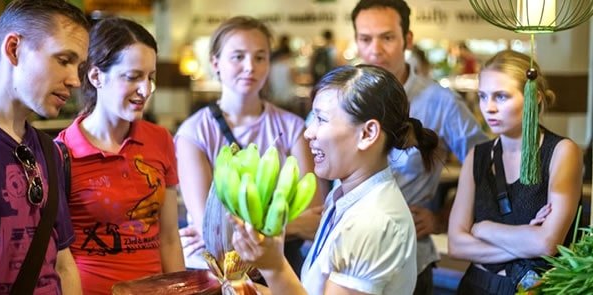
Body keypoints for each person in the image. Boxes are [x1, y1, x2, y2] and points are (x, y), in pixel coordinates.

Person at [231, 64, 439, 295]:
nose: (308, 132)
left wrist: (274, 267)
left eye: (321, 119)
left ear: (367, 134)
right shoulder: (344, 194)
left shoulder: (371, 223)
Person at [351, 0, 489, 292]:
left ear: (407, 39)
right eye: (365, 39)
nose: (375, 49)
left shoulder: (439, 101)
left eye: (387, 37)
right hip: (347, 257)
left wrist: (444, 218)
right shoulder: (340, 96)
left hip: (409, 259)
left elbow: (486, 163)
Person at [174, 16, 324, 275]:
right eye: (238, 56)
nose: (249, 67)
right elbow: (211, 233)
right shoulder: (194, 132)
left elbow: (315, 217)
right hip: (218, 274)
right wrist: (292, 225)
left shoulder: (294, 127)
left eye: (260, 57)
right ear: (215, 63)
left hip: (283, 270)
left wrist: (236, 228)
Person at [55, 17, 184, 294]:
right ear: (96, 76)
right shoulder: (62, 152)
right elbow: (59, 260)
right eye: (133, 76)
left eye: (150, 77)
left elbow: (170, 238)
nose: (146, 89)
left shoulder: (160, 139)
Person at [0, 0, 89, 293]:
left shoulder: (49, 150)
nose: (75, 80)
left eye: (79, 66)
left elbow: (62, 263)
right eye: (63, 60)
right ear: (14, 49)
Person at [447, 50, 583, 294]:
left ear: (534, 98)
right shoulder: (476, 157)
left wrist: (482, 229)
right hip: (476, 285)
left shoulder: (562, 152)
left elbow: (547, 243)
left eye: (501, 97)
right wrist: (525, 240)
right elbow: (456, 245)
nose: (488, 108)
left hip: (532, 287)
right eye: (482, 96)